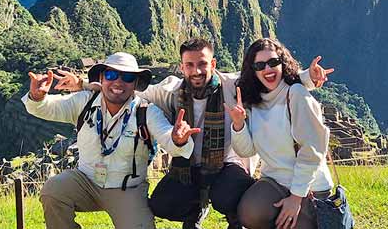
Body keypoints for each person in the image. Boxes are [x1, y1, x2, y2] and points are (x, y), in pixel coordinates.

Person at [55, 38, 333, 229]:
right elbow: (128, 88)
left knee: (231, 194)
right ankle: (195, 210)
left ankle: (235, 217)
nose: (197, 71)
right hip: (189, 165)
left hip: (227, 165)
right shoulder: (171, 91)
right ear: (181, 67)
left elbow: (267, 78)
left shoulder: (232, 85)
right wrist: (83, 83)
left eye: (203, 64)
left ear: (213, 64)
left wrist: (308, 77)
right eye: (190, 65)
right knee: (162, 204)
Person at [22, 52, 199, 229]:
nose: (118, 82)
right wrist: (37, 97)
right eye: (111, 74)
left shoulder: (146, 112)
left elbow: (168, 139)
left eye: (128, 77)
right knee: (54, 191)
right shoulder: (85, 102)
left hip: (128, 189)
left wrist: (178, 140)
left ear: (136, 83)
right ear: (101, 78)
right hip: (86, 181)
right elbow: (47, 108)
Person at [228, 38, 334, 229]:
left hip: (309, 186)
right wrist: (238, 125)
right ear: (253, 71)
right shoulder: (254, 102)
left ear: (282, 63)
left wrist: (296, 198)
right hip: (275, 182)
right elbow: (247, 150)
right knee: (250, 212)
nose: (268, 69)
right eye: (260, 65)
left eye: (273, 62)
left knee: (293, 223)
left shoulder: (296, 94)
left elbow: (313, 149)